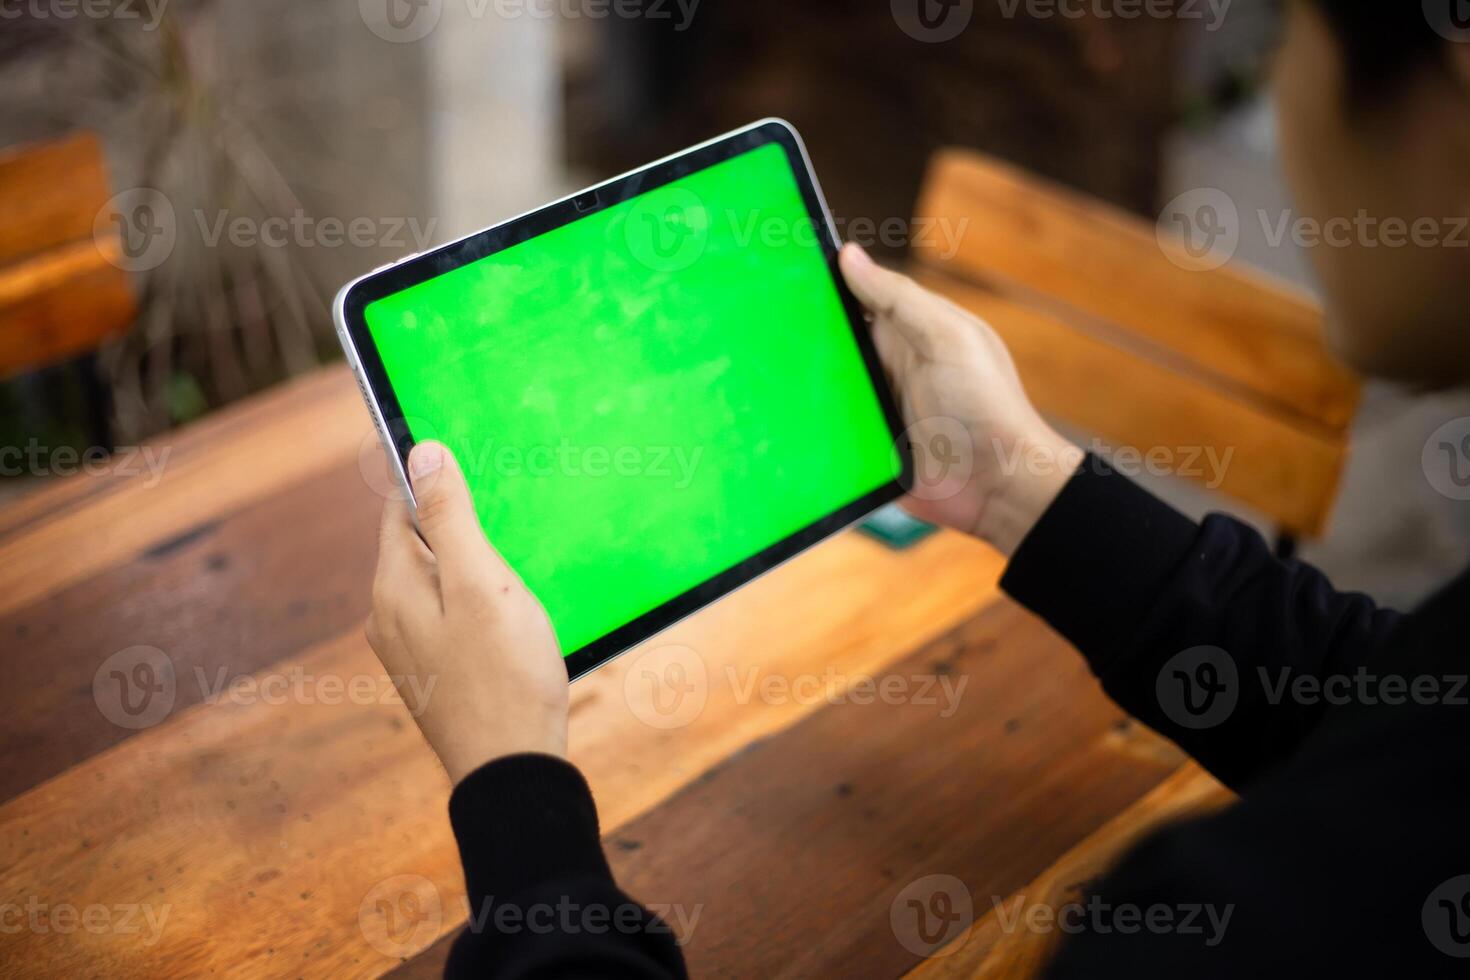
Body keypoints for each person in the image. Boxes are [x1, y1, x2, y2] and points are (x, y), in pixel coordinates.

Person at [364, 2, 1470, 975]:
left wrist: (511, 779)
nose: (1278, 87)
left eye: (1293, 32)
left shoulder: (1250, 919)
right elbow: (1377, 690)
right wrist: (1019, 484)